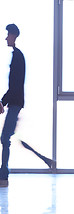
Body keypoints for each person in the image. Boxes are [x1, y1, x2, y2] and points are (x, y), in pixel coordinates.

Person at [0, 24, 25, 187]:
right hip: (14, 103)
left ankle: (3, 174)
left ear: (14, 35)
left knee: (5, 137)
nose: (6, 38)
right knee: (6, 137)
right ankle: (3, 172)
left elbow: (15, 85)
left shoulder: (17, 57)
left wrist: (3, 101)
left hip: (15, 103)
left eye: (8, 34)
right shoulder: (17, 55)